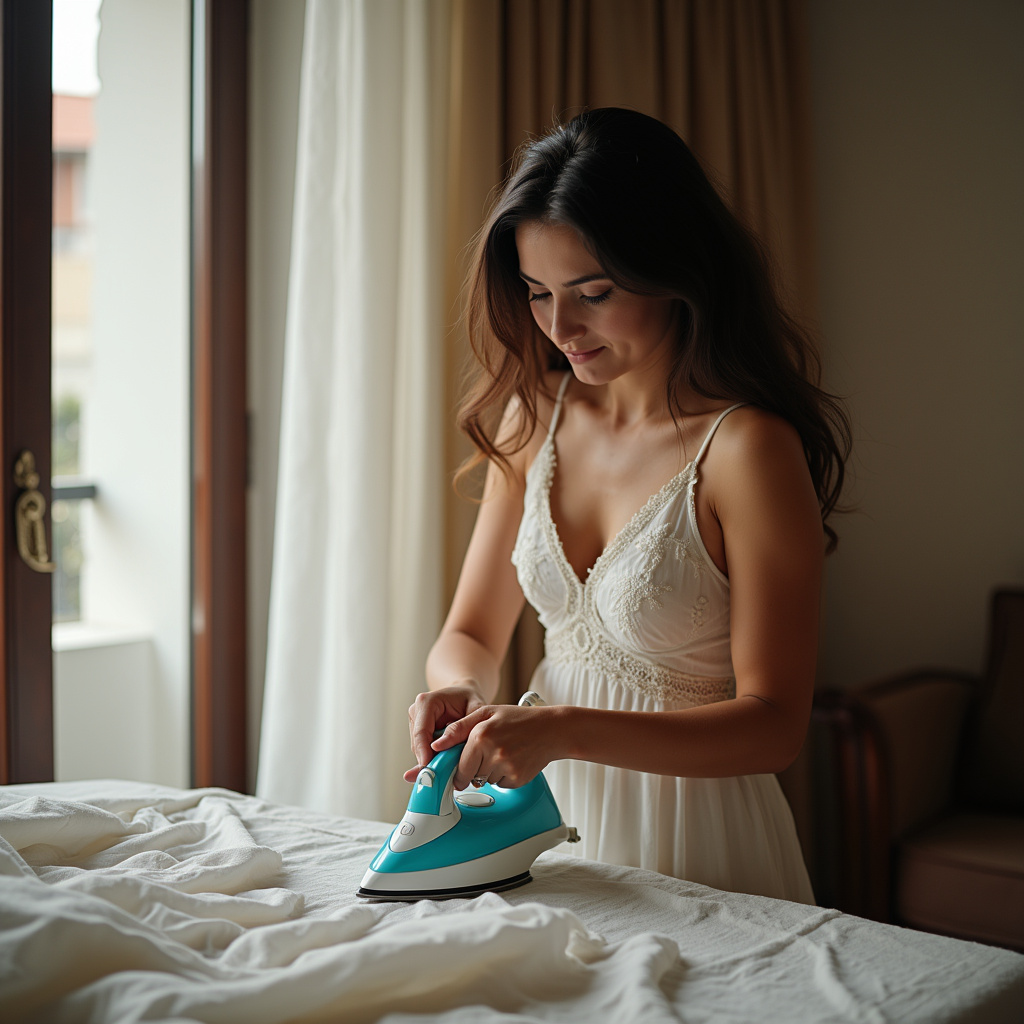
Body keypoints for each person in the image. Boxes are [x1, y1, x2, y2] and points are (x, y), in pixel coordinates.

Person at [406, 107, 850, 904]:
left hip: (699, 836)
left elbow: (775, 725)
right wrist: (464, 692)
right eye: (537, 293)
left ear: (675, 267)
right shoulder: (535, 415)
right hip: (541, 819)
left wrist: (564, 729)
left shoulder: (746, 449)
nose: (560, 327)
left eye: (594, 292)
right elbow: (470, 631)